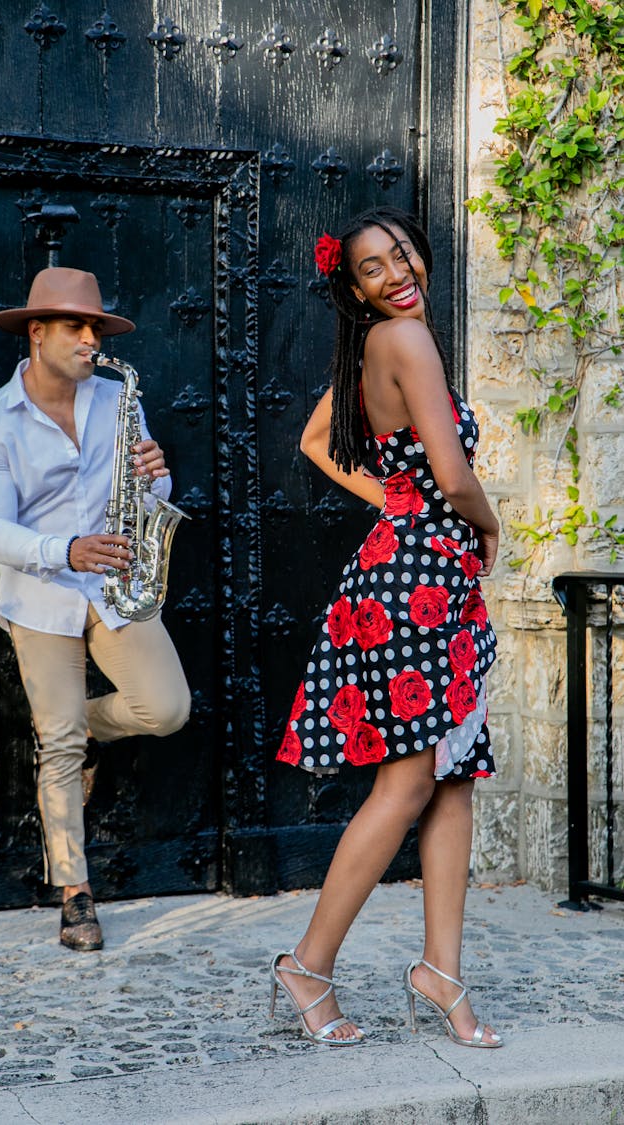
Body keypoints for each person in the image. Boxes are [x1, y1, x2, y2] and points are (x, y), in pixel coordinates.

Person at [270, 208, 502, 1048]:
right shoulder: (403, 340)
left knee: (452, 775)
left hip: (416, 575)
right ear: (355, 288)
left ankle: (441, 971)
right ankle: (307, 964)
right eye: (373, 265)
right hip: (419, 582)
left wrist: (394, 503)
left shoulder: (379, 345)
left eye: (401, 251)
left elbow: (313, 439)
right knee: (407, 784)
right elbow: (453, 471)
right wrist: (490, 526)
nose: (397, 269)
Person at [0, 267, 191, 952]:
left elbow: (151, 494)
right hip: (41, 595)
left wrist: (158, 474)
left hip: (118, 585)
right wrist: (67, 549)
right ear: (37, 334)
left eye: (96, 328)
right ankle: (75, 894)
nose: (91, 340)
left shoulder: (118, 398)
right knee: (54, 743)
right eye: (76, 327)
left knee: (167, 708)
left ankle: (80, 729)